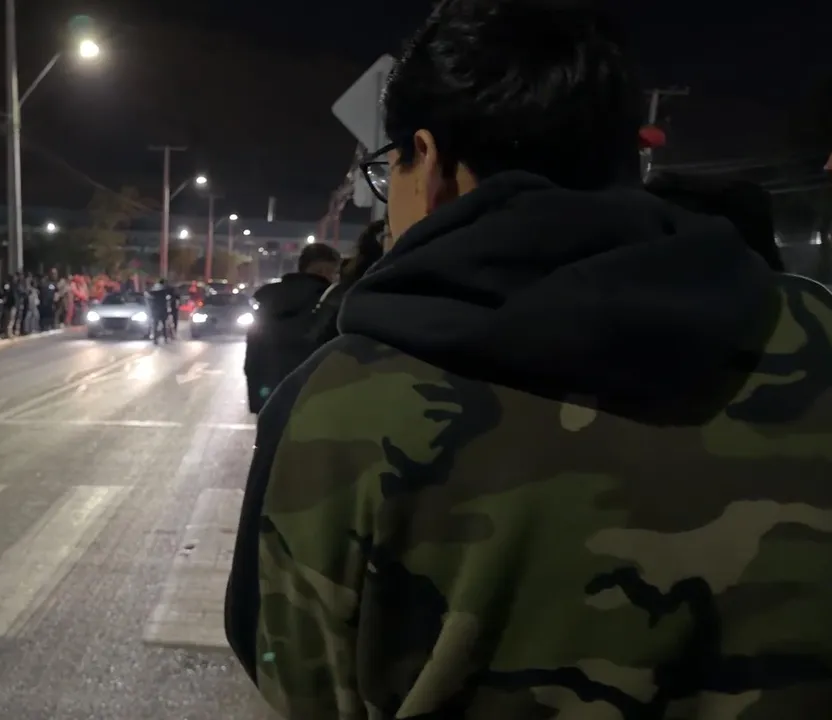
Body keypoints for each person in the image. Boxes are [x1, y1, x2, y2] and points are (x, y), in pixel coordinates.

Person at [224, 1, 832, 717]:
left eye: (393, 172)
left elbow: (297, 676)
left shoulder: (340, 407)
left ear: (432, 162)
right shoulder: (813, 335)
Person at [242, 242, 340, 413]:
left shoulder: (269, 300)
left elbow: (253, 356)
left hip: (271, 401)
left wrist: (259, 403)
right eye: (333, 272)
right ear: (326, 271)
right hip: (315, 403)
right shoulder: (332, 302)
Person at [308, 220, 386, 348]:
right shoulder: (342, 294)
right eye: (319, 271)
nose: (325, 275)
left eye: (329, 271)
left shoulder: (340, 292)